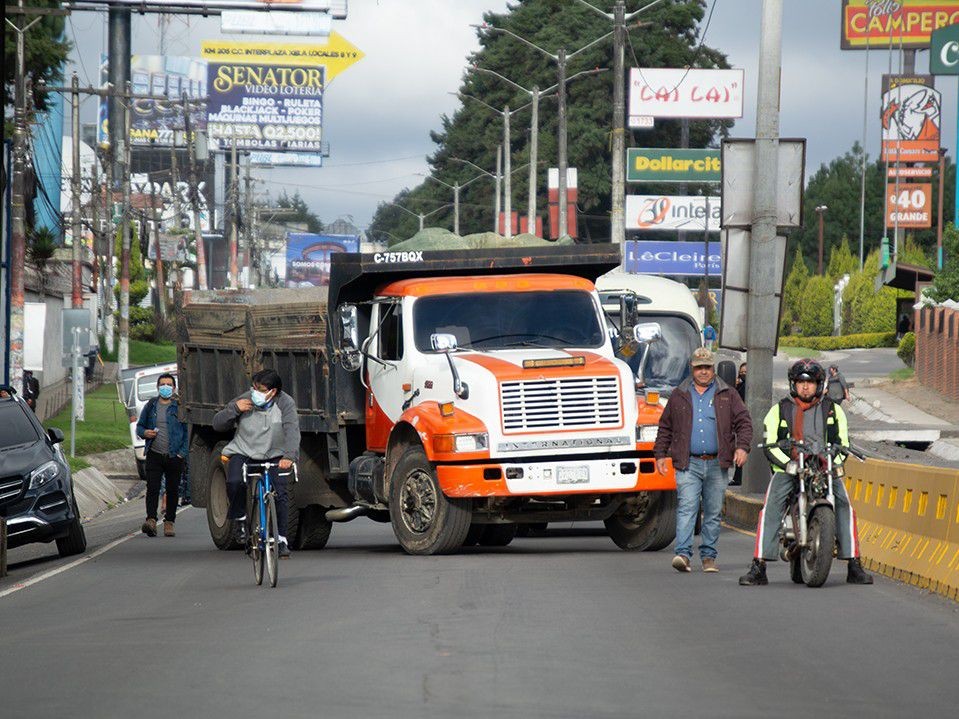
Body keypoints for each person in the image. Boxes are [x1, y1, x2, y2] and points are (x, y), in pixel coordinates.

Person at [739, 359, 873, 586]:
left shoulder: (833, 410)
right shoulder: (780, 409)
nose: (805, 386)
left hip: (823, 468)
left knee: (845, 505)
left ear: (819, 385)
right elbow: (770, 443)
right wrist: (787, 464)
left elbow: (843, 443)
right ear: (793, 384)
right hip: (790, 467)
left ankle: (854, 564)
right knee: (771, 506)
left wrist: (832, 463)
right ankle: (758, 566)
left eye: (810, 382)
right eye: (800, 382)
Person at [654, 347, 752, 573]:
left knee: (713, 512)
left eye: (707, 367)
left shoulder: (728, 393)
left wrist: (742, 447)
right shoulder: (679, 394)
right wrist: (660, 454)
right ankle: (683, 555)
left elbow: (744, 423)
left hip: (718, 464)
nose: (704, 372)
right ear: (692, 368)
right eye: (699, 368)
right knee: (687, 508)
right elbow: (665, 427)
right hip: (688, 463)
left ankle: (708, 557)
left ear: (713, 368)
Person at [213, 369, 300, 558]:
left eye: (260, 389)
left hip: (274, 454)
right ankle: (240, 518)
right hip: (244, 451)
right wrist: (234, 409)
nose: (255, 392)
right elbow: (217, 424)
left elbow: (292, 430)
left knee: (281, 493)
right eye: (254, 388)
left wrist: (289, 456)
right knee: (234, 482)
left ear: (273, 391)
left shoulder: (285, 403)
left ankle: (281, 539)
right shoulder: (245, 399)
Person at [136, 373, 188, 537]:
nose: (165, 387)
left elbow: (187, 432)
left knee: (172, 490)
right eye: (162, 384)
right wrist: (145, 433)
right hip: (154, 453)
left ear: (174, 388)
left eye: (169, 385)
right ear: (158, 387)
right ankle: (151, 520)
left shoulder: (179, 407)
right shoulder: (151, 405)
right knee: (152, 488)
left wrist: (181, 453)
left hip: (174, 456)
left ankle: (169, 522)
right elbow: (140, 427)